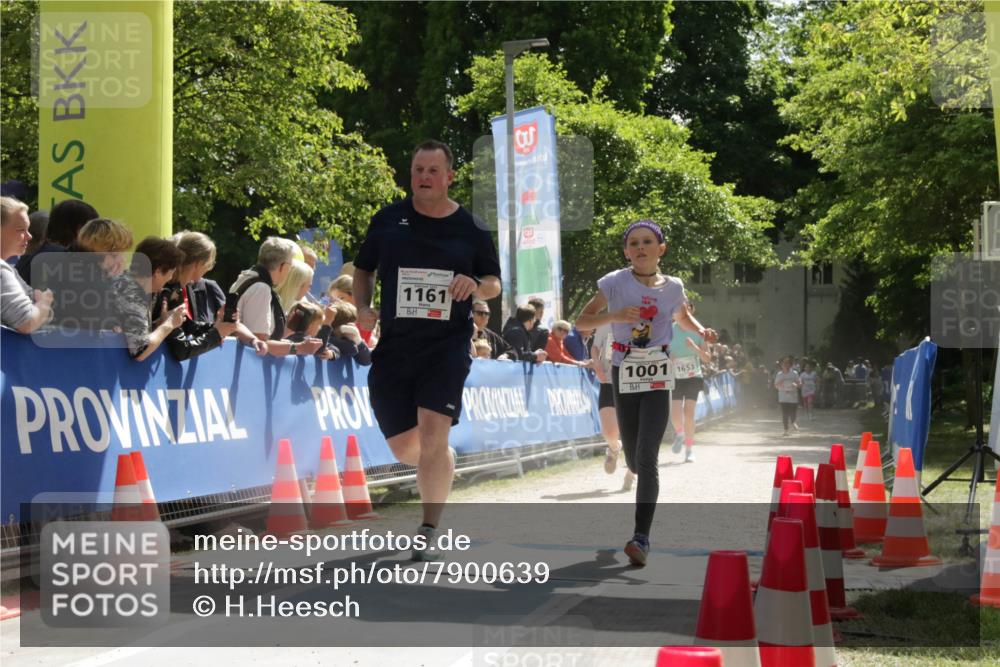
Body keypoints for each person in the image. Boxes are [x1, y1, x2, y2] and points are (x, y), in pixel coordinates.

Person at [353, 139, 501, 560]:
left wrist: (475, 285)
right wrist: (362, 306)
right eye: (418, 170)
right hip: (395, 346)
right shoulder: (387, 220)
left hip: (447, 345)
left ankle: (428, 526)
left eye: (433, 171)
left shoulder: (470, 227)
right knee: (405, 448)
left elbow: (494, 281)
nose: (424, 177)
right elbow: (363, 269)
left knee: (434, 432)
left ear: (449, 176)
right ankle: (438, 460)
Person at [576, 219, 718, 566]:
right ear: (626, 251)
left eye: (647, 242)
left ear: (661, 249)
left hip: (658, 375)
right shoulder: (613, 283)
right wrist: (615, 315)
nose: (640, 248)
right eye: (634, 243)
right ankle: (627, 460)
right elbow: (582, 321)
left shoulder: (673, 287)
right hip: (624, 372)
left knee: (648, 456)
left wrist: (702, 331)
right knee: (633, 458)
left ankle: (641, 538)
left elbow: (682, 317)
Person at [226, 237, 322, 357]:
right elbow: (259, 345)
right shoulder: (261, 288)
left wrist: (286, 331)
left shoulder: (246, 277)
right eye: (290, 266)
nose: (289, 271)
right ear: (282, 266)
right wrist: (300, 348)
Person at [591, 323, 634, 490]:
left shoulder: (645, 321)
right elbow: (595, 347)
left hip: (637, 382)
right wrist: (596, 363)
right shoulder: (605, 324)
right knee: (609, 432)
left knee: (635, 432)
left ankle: (632, 472)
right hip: (609, 381)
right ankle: (614, 448)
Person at [0, 197, 53, 333]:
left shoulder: (9, 269)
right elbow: (26, 321)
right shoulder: (1, 269)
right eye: (20, 229)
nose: (29, 236)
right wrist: (44, 303)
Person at [669, 301, 713, 463]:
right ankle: (680, 433)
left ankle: (689, 449)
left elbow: (708, 358)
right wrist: (668, 357)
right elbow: (659, 351)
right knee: (675, 413)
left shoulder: (699, 332)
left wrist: (695, 347)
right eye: (681, 310)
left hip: (694, 375)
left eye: (687, 310)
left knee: (689, 413)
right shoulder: (669, 330)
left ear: (691, 312)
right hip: (675, 376)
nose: (684, 313)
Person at [17, 198, 98, 286]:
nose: (94, 234)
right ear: (78, 228)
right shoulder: (62, 259)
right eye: (91, 228)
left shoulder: (31, 256)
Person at [170, 231, 226, 325]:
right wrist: (217, 331)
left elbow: (191, 329)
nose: (209, 269)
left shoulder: (184, 286)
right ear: (198, 263)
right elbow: (180, 337)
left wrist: (218, 325)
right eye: (209, 264)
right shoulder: (168, 290)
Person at [775, 355, 801, 436]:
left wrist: (795, 384)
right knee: (785, 414)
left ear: (790, 365)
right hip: (783, 397)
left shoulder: (794, 373)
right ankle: (786, 430)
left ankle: (793, 422)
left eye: (787, 363)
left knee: (793, 413)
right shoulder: (779, 374)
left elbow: (799, 383)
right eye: (783, 364)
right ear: (781, 365)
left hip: (793, 397)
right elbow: (775, 385)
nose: (785, 365)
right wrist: (780, 383)